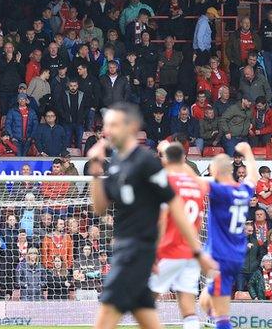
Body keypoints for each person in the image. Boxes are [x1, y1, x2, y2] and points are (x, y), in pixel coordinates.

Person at [89, 103, 214, 329]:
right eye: (106, 126)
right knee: (145, 312)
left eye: (114, 125)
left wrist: (196, 250)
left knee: (106, 316)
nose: (108, 131)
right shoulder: (116, 163)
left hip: (138, 250)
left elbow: (173, 205)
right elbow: (99, 207)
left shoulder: (146, 162)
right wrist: (96, 170)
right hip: (127, 247)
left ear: (132, 127)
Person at [200, 142, 258, 329]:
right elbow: (253, 177)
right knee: (205, 300)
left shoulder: (219, 191)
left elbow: (189, 181)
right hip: (236, 254)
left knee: (221, 315)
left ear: (215, 171)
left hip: (220, 257)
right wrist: (248, 152)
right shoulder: (243, 191)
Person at [148, 143, 207, 329]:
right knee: (188, 308)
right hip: (192, 251)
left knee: (145, 300)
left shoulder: (166, 183)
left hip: (170, 250)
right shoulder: (197, 186)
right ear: (183, 160)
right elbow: (201, 222)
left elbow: (161, 221)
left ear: (165, 159)